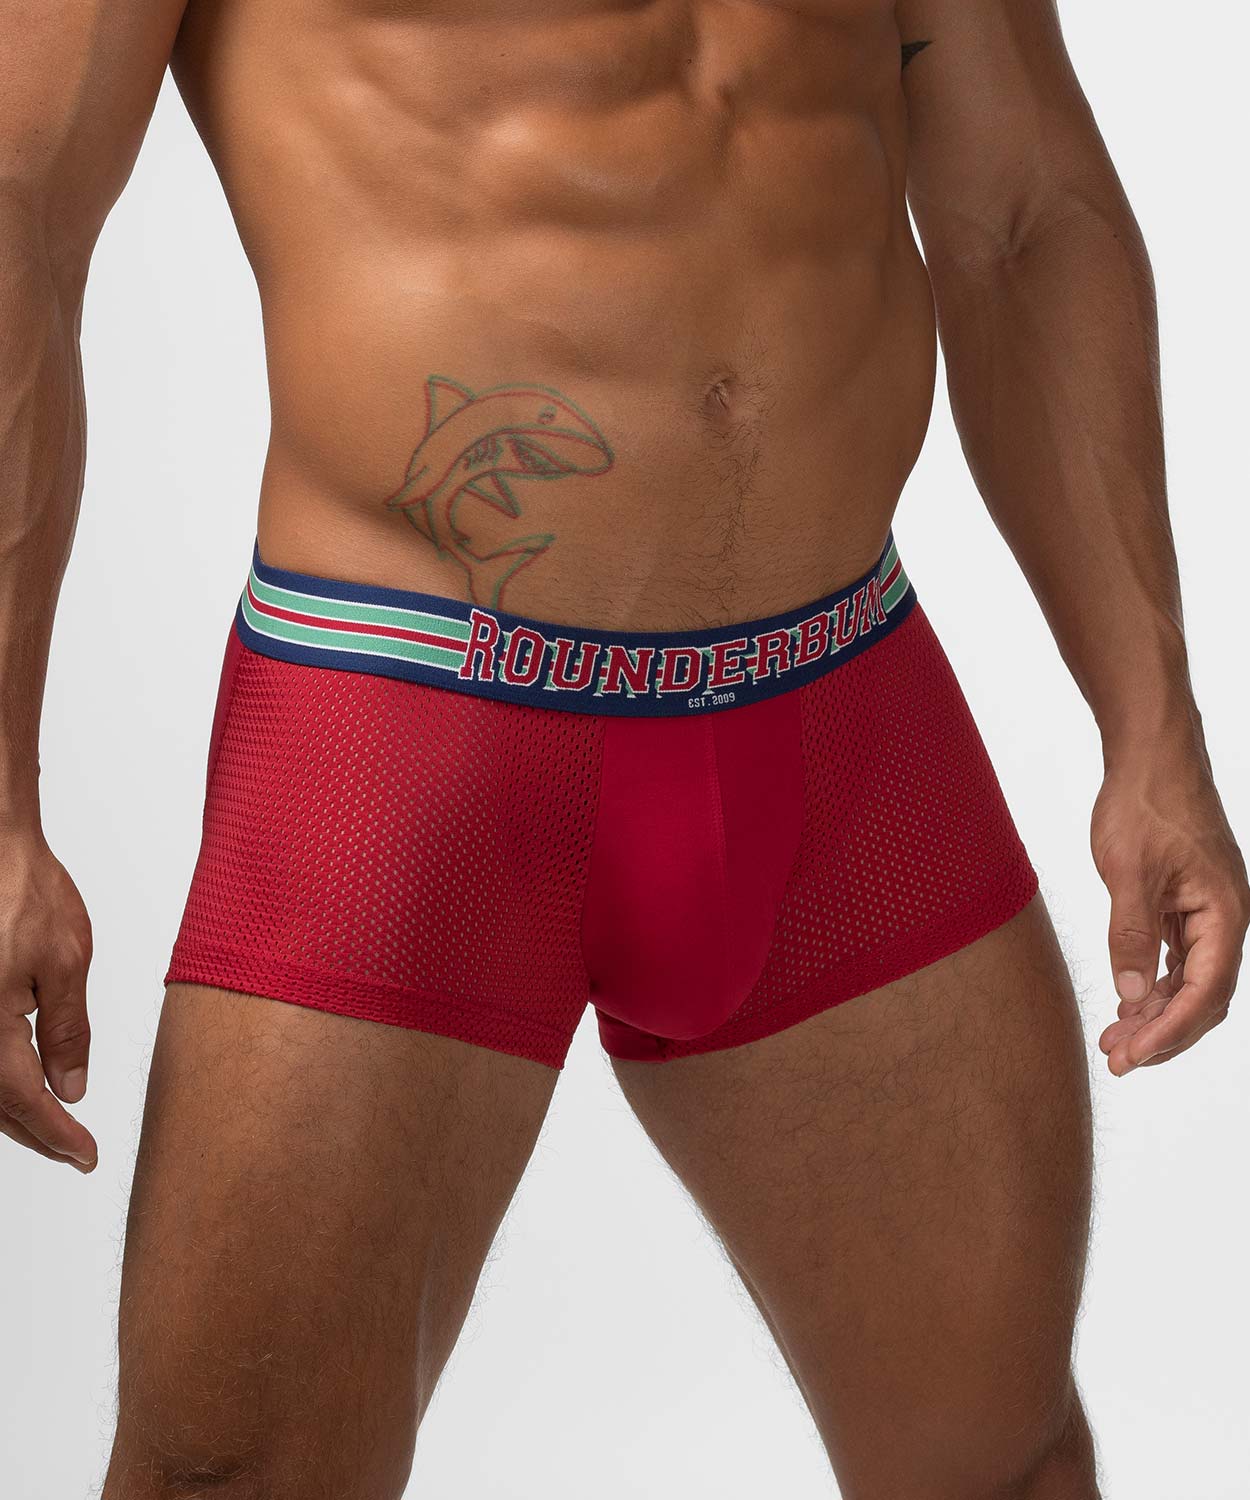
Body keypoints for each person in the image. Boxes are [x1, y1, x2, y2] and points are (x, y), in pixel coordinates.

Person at [1, 1, 1245, 1495]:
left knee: (1007, 1468)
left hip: (837, 710)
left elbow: (1025, 214)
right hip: (403, 729)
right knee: (229, 1481)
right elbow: (18, 211)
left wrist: (1152, 725)